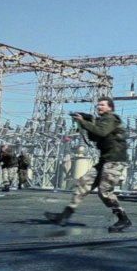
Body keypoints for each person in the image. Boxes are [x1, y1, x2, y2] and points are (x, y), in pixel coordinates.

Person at [44, 97, 132, 233]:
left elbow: (101, 132)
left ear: (110, 107)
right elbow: (95, 136)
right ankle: (64, 216)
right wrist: (86, 122)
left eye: (102, 105)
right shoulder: (102, 121)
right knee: (84, 183)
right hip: (105, 160)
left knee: (105, 192)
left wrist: (84, 122)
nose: (99, 107)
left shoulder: (111, 118)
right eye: (98, 105)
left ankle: (123, 218)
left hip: (115, 160)